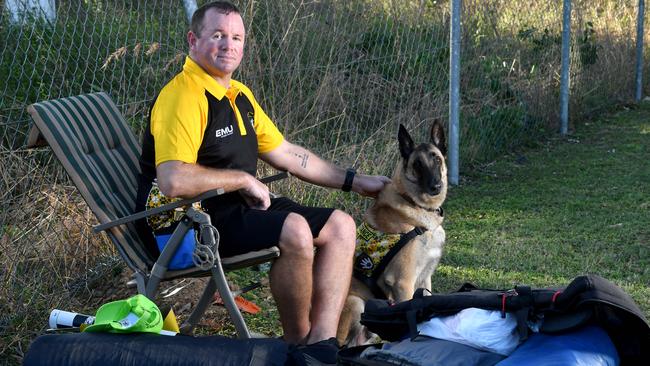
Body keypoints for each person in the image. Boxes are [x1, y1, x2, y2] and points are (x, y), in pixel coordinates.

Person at [135, 1, 390, 361]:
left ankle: (321, 345)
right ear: (193, 40)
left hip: (230, 208)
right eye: (218, 35)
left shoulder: (238, 95)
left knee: (341, 226)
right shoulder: (183, 96)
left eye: (236, 37)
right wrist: (242, 178)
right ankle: (297, 344)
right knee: (296, 231)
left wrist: (353, 180)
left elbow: (287, 152)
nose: (228, 45)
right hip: (182, 226)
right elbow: (173, 179)